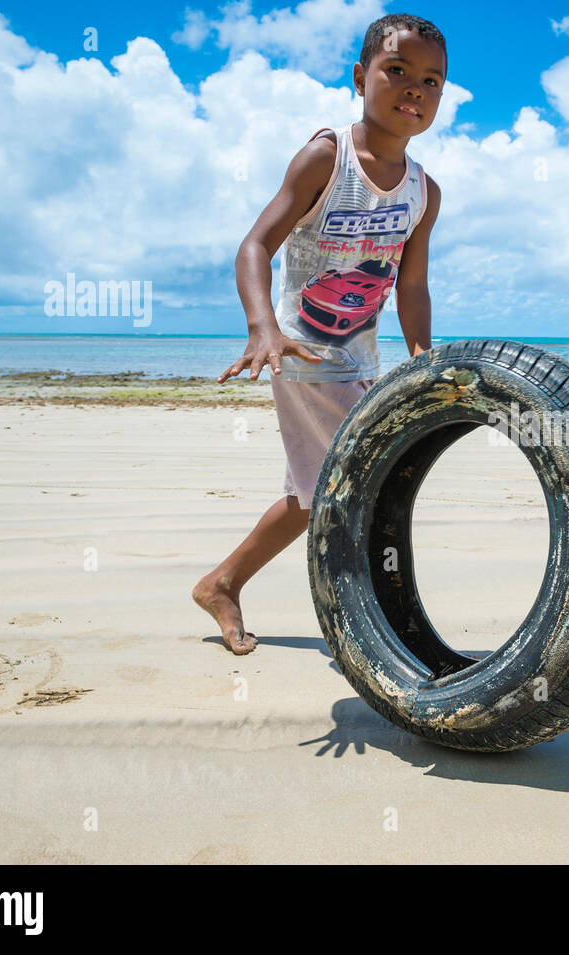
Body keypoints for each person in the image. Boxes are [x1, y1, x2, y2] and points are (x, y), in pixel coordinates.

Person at [193, 13, 446, 654]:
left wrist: (420, 356)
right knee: (359, 482)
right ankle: (378, 626)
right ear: (361, 77)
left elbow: (409, 286)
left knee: (311, 494)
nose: (414, 89)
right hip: (303, 354)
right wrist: (264, 329)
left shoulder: (424, 192)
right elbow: (255, 245)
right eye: (397, 72)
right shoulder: (326, 158)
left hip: (364, 356)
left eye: (431, 81)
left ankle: (222, 582)